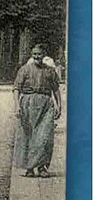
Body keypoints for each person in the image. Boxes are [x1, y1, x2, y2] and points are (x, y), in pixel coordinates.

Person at [13, 44, 61, 178]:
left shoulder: (50, 71)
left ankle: (42, 167)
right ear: (31, 55)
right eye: (34, 54)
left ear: (44, 55)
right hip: (28, 104)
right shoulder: (24, 69)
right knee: (27, 136)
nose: (37, 57)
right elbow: (16, 88)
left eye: (39, 54)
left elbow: (56, 89)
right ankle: (29, 168)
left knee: (45, 137)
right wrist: (17, 105)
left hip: (46, 104)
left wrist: (59, 105)